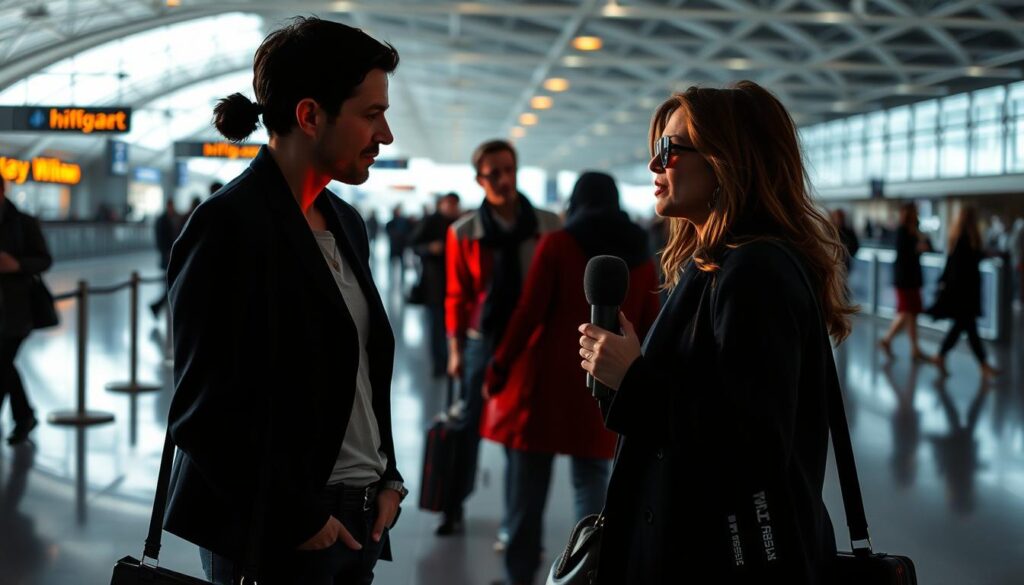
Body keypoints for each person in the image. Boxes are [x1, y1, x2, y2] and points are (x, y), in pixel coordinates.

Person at [578, 81, 854, 583]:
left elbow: (751, 442)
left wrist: (634, 378)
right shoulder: (717, 268)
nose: (655, 166)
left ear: (728, 161)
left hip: (720, 557)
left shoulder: (755, 272)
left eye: (670, 149)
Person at [164, 17, 407, 585]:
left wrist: (388, 478)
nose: (387, 135)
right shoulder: (228, 226)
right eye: (372, 114)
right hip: (281, 530)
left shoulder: (345, 221)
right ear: (309, 115)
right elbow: (200, 414)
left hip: (361, 515)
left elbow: (362, 369)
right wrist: (300, 518)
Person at [481, 171, 660, 585]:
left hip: (545, 388)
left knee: (526, 491)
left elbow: (529, 313)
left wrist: (499, 365)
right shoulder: (641, 256)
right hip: (605, 392)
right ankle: (590, 573)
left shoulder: (558, 243)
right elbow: (650, 328)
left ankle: (519, 575)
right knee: (592, 489)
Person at [441, 139, 561, 537]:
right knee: (468, 425)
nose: (505, 180)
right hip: (483, 339)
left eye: (509, 170)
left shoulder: (547, 225)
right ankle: (453, 504)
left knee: (521, 435)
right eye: (495, 173)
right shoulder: (466, 232)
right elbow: (456, 294)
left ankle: (516, 524)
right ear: (480, 179)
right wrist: (456, 350)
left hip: (530, 340)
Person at [0, 179, 52, 446]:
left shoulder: (23, 222)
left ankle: (24, 417)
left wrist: (16, 264)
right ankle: (24, 417)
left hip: (16, 309)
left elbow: (45, 259)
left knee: (2, 361)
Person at [926, 206, 999, 379]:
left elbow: (953, 264)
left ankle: (942, 356)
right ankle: (983, 365)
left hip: (961, 294)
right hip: (964, 294)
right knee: (968, 329)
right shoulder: (966, 239)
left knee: (962, 328)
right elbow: (963, 266)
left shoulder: (957, 237)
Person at [409, 192, 461, 377]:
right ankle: (440, 364)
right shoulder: (431, 222)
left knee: (452, 327)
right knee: (437, 327)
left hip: (456, 285)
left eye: (455, 204)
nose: (452, 208)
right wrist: (430, 248)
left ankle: (451, 362)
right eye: (449, 204)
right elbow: (414, 244)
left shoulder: (460, 224)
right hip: (434, 285)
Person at [878, 203, 929, 361]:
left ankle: (914, 348)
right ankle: (887, 339)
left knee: (912, 313)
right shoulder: (902, 231)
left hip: (912, 278)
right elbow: (904, 254)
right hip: (904, 279)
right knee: (906, 311)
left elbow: (928, 246)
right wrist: (917, 248)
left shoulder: (916, 231)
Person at [149, 198, 180, 317]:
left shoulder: (169, 218)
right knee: (169, 285)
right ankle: (156, 307)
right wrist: (166, 252)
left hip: (169, 256)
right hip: (167, 257)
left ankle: (156, 307)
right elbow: (161, 239)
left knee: (169, 285)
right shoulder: (163, 220)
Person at [385, 205, 413, 288]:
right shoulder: (391, 223)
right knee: (392, 262)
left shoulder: (403, 221)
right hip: (395, 246)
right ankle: (391, 278)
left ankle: (400, 279)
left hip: (400, 246)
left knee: (401, 263)